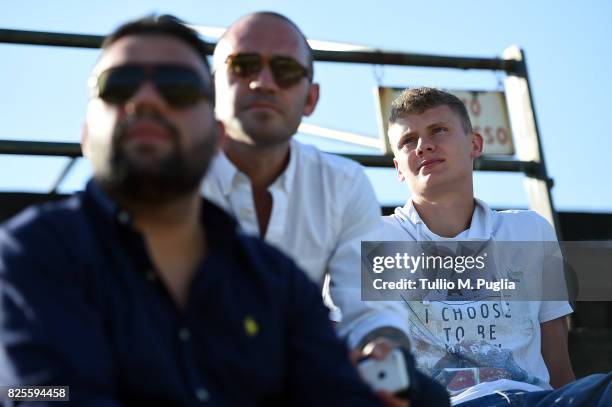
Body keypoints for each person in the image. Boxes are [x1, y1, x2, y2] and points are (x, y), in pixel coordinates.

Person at [0, 15, 383, 406]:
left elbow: (343, 385)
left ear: (215, 134)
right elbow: (35, 393)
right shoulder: (27, 253)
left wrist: (386, 352)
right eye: (118, 85)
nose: (146, 99)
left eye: (178, 89)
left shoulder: (279, 282)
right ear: (84, 133)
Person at [382, 86, 612, 406]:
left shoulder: (529, 231)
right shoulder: (372, 241)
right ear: (398, 168)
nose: (423, 146)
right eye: (408, 140)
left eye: (438, 130)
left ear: (475, 143)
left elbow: (557, 363)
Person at [204, 10, 411, 364]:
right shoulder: (169, 175)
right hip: (183, 370)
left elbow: (374, 310)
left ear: (311, 99)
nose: (263, 82)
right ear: (211, 88)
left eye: (285, 71)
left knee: (420, 394)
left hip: (294, 373)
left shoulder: (344, 183)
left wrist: (382, 350)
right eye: (244, 65)